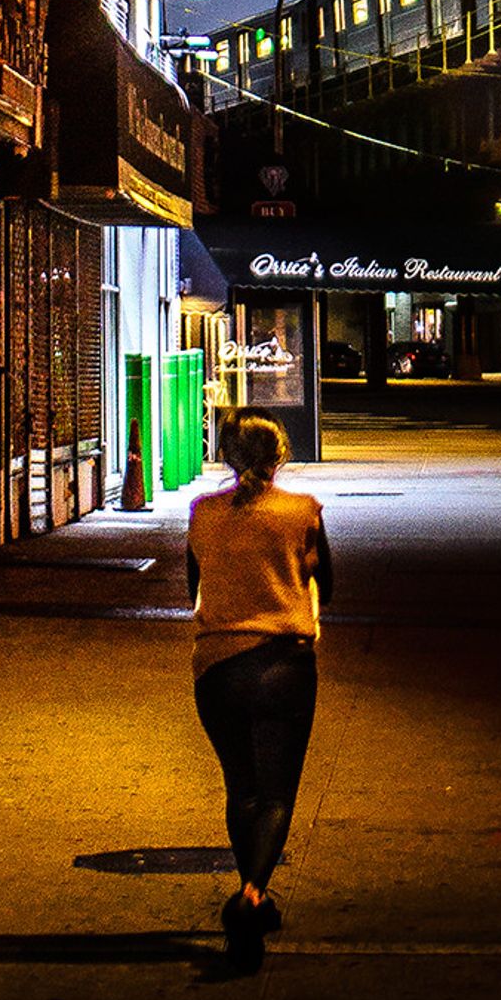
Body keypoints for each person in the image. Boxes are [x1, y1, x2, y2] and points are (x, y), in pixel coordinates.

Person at [187, 409, 332, 965]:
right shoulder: (303, 512)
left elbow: (191, 586)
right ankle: (250, 895)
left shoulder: (203, 513)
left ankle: (257, 896)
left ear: (227, 457)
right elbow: (330, 584)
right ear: (281, 457)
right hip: (284, 665)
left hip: (217, 667)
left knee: (241, 788)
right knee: (275, 794)